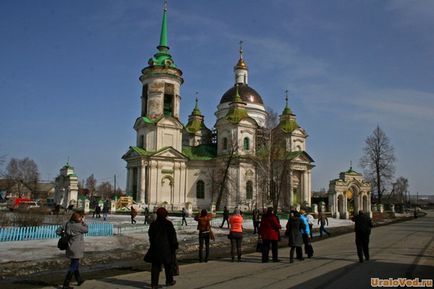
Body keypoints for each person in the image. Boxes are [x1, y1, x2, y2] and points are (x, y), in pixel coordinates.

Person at [144, 207, 178, 288]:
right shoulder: (168, 224)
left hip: (155, 248)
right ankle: (169, 281)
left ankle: (154, 284)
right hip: (167, 248)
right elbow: (172, 236)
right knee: (168, 265)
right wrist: (174, 246)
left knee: (155, 266)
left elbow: (150, 235)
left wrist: (153, 243)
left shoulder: (153, 224)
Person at [56, 211, 88, 289]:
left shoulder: (67, 224)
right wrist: (83, 222)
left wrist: (64, 234)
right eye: (81, 217)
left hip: (70, 247)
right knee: (73, 265)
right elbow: (86, 229)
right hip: (77, 248)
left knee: (75, 263)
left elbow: (57, 231)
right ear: (78, 218)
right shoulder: (79, 226)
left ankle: (79, 279)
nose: (82, 218)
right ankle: (65, 284)